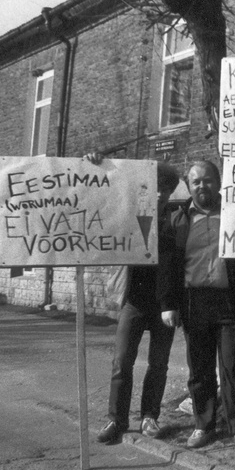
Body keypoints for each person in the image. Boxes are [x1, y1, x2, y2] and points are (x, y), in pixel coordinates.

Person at [163, 160, 235, 453]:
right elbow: (168, 265)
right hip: (194, 302)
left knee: (232, 365)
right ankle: (203, 425)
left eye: (207, 180)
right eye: (195, 182)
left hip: (229, 300)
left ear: (218, 183)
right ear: (189, 187)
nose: (201, 186)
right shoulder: (178, 220)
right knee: (199, 368)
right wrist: (169, 304)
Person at [96, 159, 182, 444]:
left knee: (159, 364)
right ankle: (115, 420)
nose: (160, 195)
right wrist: (95, 166)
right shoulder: (127, 217)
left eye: (166, 190)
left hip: (165, 306)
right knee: (122, 361)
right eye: (155, 187)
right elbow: (98, 198)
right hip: (134, 301)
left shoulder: (176, 220)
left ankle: (149, 416)